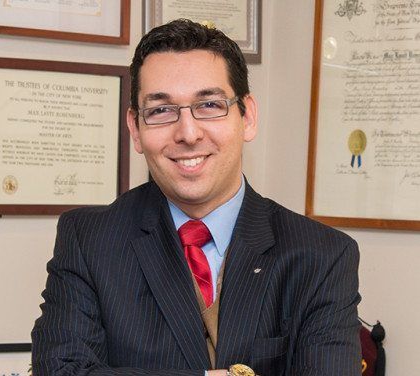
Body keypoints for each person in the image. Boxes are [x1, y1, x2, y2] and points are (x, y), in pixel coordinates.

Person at [32, 19, 362, 376]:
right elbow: (60, 370)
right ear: (136, 129)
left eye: (209, 105)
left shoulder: (322, 255)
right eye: (160, 110)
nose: (187, 133)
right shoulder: (89, 240)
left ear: (247, 117)